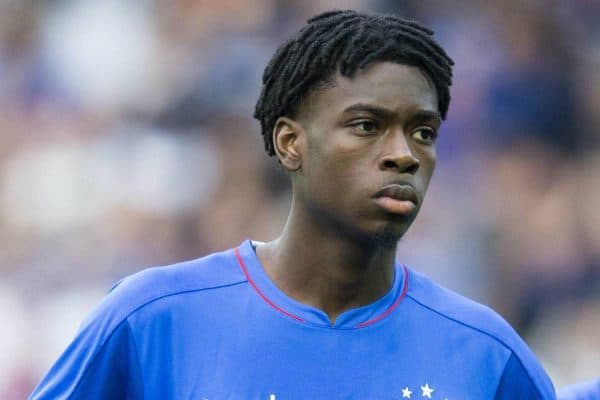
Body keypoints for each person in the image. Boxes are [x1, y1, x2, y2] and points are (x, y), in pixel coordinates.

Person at [29, 10, 556, 399]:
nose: (403, 155)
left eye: (422, 132)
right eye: (366, 126)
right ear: (290, 143)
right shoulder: (152, 319)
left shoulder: (487, 355)